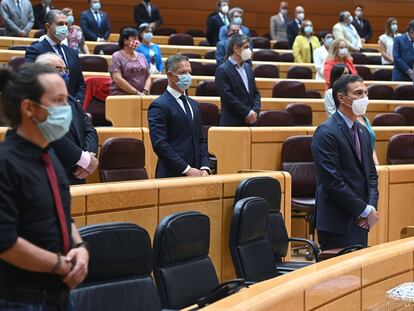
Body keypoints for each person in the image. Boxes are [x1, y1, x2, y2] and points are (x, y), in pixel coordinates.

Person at [0, 63, 89, 310]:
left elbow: (63, 214)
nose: (67, 108)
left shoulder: (49, 156)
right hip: (20, 298)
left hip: (59, 295)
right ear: (29, 107)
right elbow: (5, 242)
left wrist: (81, 249)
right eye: (59, 101)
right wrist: (60, 265)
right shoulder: (5, 163)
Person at [312, 74, 379, 250]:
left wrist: (370, 208)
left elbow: (371, 175)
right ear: (341, 98)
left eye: (366, 93)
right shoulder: (326, 132)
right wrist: (363, 210)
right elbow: (332, 182)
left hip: (361, 221)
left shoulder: (363, 132)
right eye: (358, 93)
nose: (364, 98)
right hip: (337, 220)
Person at [36, 52, 99, 184]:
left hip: (78, 173)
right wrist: (85, 159)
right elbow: (52, 136)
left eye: (66, 70)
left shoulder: (70, 99)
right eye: (60, 70)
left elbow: (89, 130)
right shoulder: (35, 101)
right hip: (48, 175)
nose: (65, 74)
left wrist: (89, 156)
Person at [148, 54, 210, 178]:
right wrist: (186, 169)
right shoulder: (159, 105)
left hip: (198, 173)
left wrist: (205, 166)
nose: (188, 76)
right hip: (172, 174)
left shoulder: (194, 104)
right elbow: (160, 144)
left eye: (189, 72)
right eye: (183, 72)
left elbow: (201, 139)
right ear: (170, 75)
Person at [25, 10, 86, 104]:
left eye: (66, 24)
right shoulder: (35, 50)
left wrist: (77, 102)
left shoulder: (72, 53)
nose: (65, 27)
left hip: (72, 105)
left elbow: (80, 84)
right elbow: (31, 80)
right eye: (60, 24)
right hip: (48, 105)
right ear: (48, 26)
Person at [215, 34, 260, 126]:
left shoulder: (248, 68)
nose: (249, 50)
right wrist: (246, 113)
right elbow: (228, 97)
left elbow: (255, 93)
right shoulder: (222, 70)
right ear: (236, 48)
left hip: (250, 122)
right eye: (246, 47)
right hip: (232, 122)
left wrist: (254, 111)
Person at [110, 27, 151, 95]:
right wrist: (136, 93)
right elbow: (117, 78)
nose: (137, 41)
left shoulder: (142, 56)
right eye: (134, 38)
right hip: (122, 95)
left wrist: (145, 92)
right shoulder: (117, 56)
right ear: (125, 41)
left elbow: (148, 76)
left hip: (143, 95)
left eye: (137, 39)